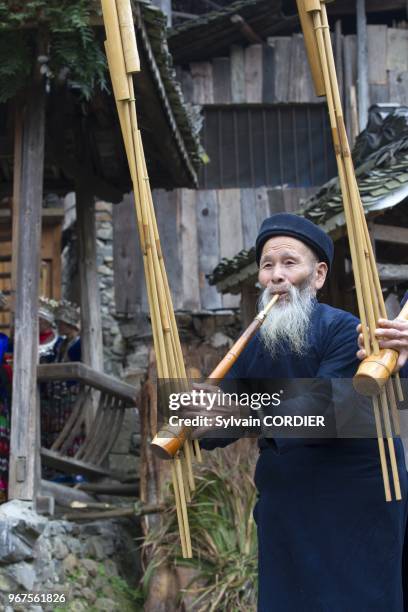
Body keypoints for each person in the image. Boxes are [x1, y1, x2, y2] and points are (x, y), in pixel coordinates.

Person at [183, 213, 408, 611]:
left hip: (354, 502)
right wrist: (197, 418)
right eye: (267, 266)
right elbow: (222, 421)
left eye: (290, 263)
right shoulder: (254, 341)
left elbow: (320, 408)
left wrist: (238, 412)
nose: (276, 275)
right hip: (286, 504)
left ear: (318, 275)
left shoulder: (344, 330)